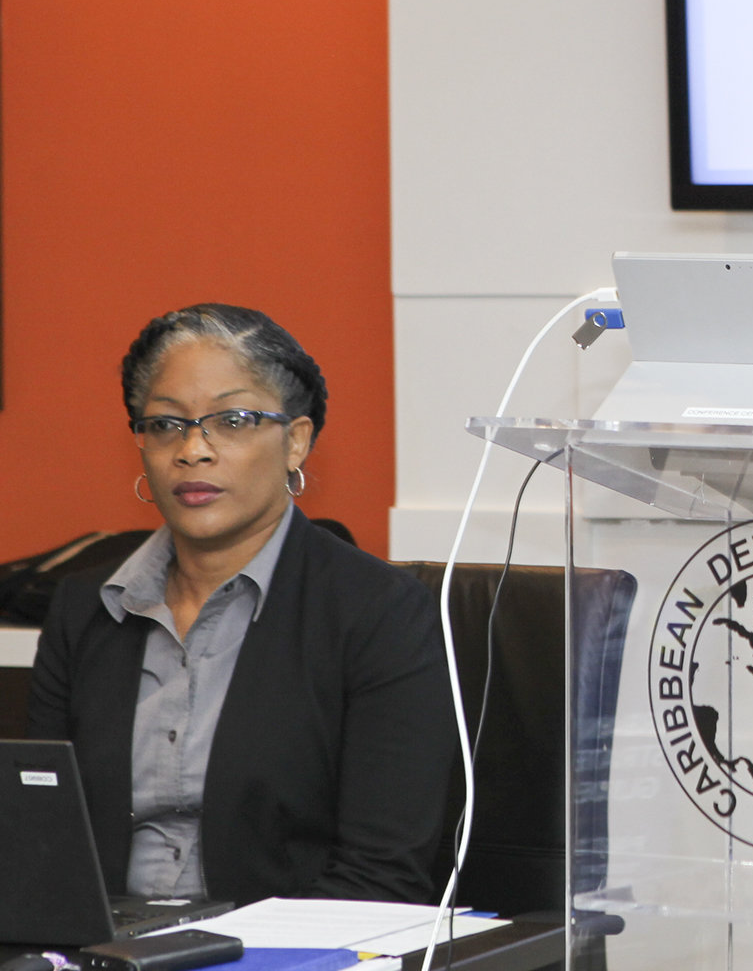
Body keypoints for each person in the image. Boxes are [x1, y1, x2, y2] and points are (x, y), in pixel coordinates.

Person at [29, 304, 455, 903]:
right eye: (166, 424)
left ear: (296, 443)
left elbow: (382, 874)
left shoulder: (379, 613)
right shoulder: (87, 608)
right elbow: (43, 839)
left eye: (232, 420)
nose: (193, 450)